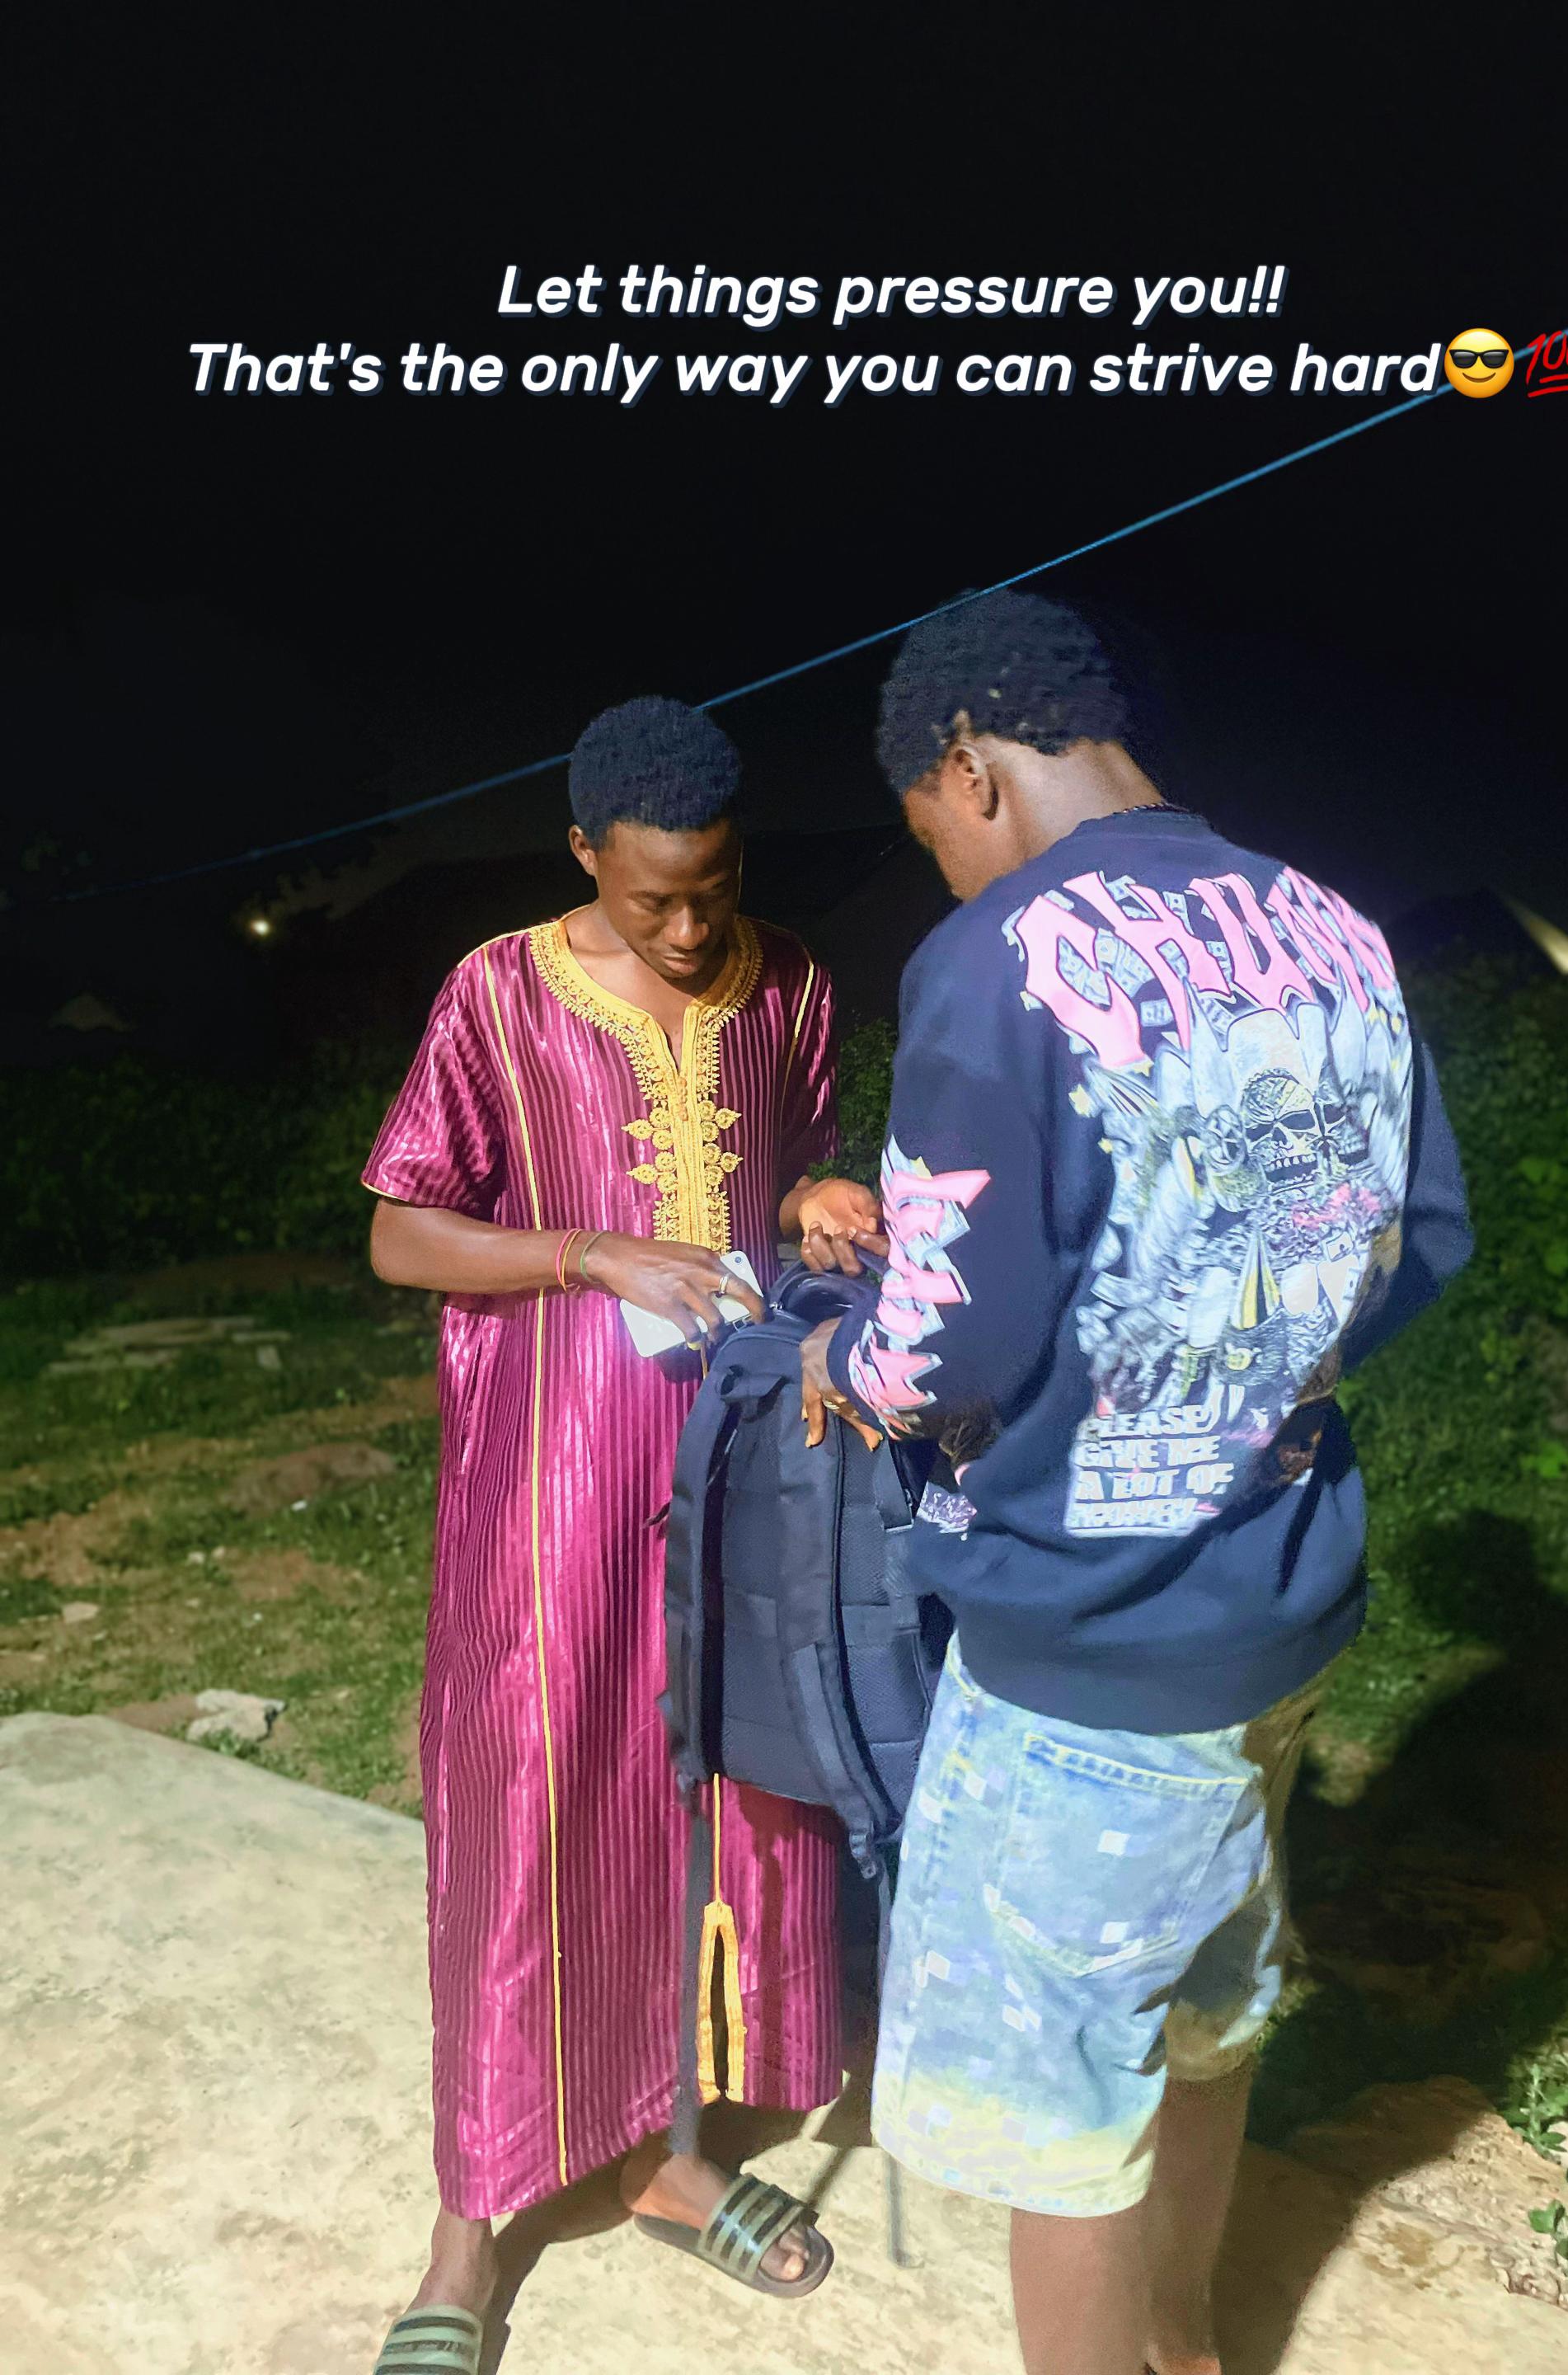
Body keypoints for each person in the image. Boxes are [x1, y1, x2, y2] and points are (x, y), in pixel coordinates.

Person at [801, 594, 1472, 2375]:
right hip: (1281, 1606)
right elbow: (1419, 1239)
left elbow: (943, 1340)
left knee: (1064, 2124)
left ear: (968, 771)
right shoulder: (1331, 925)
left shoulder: (1000, 960)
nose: (948, 868)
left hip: (1087, 1650)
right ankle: (1188, 2346)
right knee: (1202, 2028)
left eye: (931, 834)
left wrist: (847, 1358)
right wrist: (1258, 1361)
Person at [364, 696, 884, 2372]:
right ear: (585, 853)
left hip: (741, 1473)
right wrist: (587, 1252)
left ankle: (675, 2154)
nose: (687, 928)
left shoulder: (790, 983)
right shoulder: (499, 994)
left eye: (714, 891)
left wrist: (814, 1200)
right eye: (654, 896)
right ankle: (472, 2227)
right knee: (533, 1804)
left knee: (726, 1793)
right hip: (549, 1488)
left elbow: (786, 1173)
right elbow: (403, 1234)